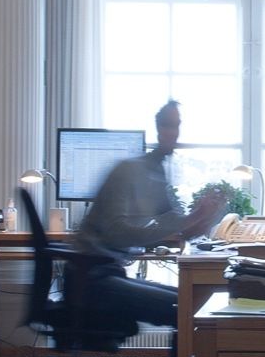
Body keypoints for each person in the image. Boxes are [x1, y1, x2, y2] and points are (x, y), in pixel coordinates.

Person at [66, 100, 221, 336]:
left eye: (177, 126)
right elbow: (117, 232)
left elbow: (178, 229)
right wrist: (192, 218)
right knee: (186, 307)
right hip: (90, 281)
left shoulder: (156, 174)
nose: (174, 133)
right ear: (158, 130)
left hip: (109, 273)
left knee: (191, 301)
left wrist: (204, 216)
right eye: (169, 126)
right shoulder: (130, 170)